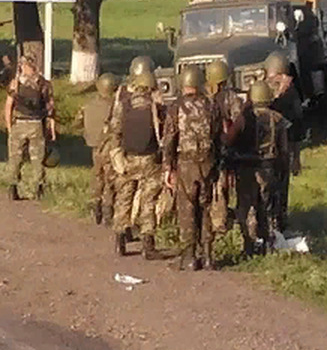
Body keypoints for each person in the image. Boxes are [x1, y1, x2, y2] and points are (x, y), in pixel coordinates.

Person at [161, 66, 222, 270]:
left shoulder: (176, 107)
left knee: (187, 209)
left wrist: (168, 167)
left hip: (185, 164)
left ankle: (189, 257)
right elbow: (218, 136)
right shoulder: (211, 105)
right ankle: (208, 255)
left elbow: (169, 139)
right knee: (206, 207)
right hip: (208, 162)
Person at [105, 58, 165, 258]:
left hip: (128, 158)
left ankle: (119, 238)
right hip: (150, 160)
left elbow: (115, 130)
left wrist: (116, 155)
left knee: (124, 198)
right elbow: (163, 133)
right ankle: (147, 243)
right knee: (149, 200)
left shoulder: (124, 102)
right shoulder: (156, 105)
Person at [234, 81, 290, 257]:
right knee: (266, 206)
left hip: (246, 166)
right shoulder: (278, 119)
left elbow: (233, 140)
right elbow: (284, 150)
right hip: (268, 167)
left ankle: (249, 245)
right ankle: (268, 243)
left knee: (245, 206)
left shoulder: (243, 117)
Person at [4, 54, 56, 201]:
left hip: (19, 124)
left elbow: (8, 107)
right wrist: (51, 128)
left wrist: (9, 127)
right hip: (36, 124)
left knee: (15, 158)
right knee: (37, 158)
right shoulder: (44, 84)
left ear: (22, 65)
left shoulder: (16, 84)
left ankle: (12, 187)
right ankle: (39, 188)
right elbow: (50, 108)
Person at [262, 51, 303, 234]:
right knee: (273, 190)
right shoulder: (284, 93)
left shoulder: (288, 93)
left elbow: (296, 127)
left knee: (274, 190)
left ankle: (277, 225)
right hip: (273, 152)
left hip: (275, 151)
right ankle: (275, 225)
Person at [205, 60, 246, 236]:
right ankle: (221, 224)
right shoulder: (231, 98)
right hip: (225, 149)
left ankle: (210, 224)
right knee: (222, 187)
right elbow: (239, 121)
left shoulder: (202, 97)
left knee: (210, 189)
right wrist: (229, 140)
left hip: (205, 150)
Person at [76, 73, 120, 225]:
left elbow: (77, 123)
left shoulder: (88, 105)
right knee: (110, 179)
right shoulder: (115, 107)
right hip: (109, 148)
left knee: (97, 176)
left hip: (94, 147)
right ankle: (108, 210)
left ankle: (96, 205)